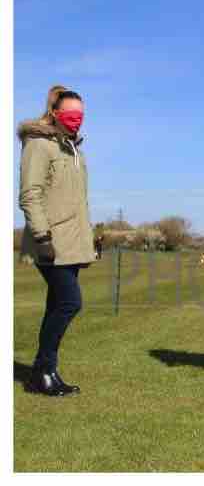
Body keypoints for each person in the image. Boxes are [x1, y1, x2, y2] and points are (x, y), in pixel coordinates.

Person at [17, 85, 96, 397]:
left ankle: (44, 372)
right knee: (69, 302)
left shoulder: (74, 150)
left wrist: (88, 242)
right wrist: (42, 236)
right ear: (54, 112)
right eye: (70, 113)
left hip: (71, 242)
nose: (76, 118)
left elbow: (77, 203)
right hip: (49, 240)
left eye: (81, 114)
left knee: (56, 305)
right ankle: (43, 371)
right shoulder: (39, 145)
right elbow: (30, 194)